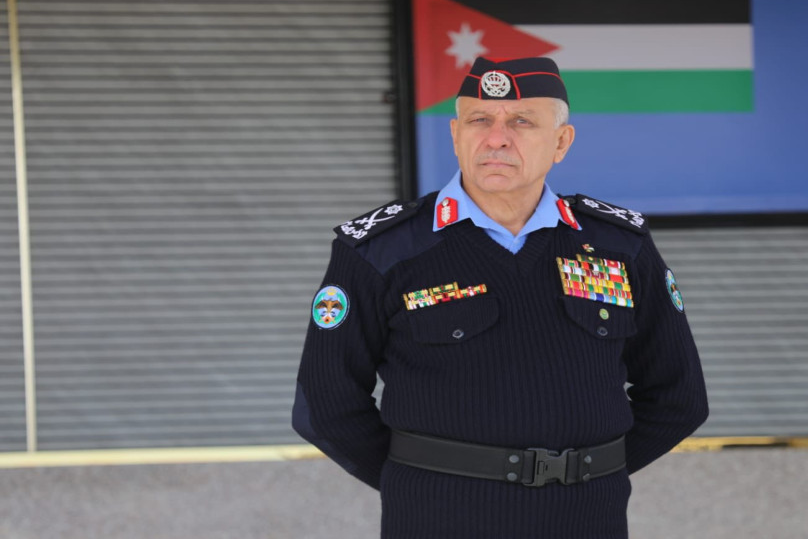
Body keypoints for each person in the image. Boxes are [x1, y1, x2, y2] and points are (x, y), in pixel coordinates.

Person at [292, 56, 708, 539]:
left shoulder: (618, 245)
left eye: (521, 121)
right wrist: (422, 480)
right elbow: (325, 405)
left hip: (587, 521)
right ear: (455, 135)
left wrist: (586, 471)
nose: (496, 138)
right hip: (437, 522)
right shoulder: (381, 250)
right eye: (479, 120)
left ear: (561, 142)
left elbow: (678, 397)